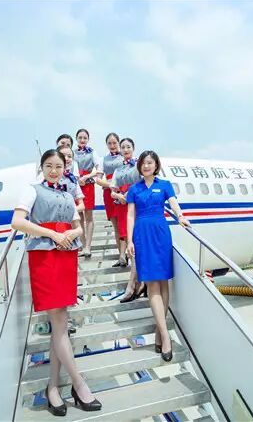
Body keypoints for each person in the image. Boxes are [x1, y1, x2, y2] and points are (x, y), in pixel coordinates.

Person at [11, 149, 101, 416]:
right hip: (44, 257)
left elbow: (79, 227)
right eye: (49, 165)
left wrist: (71, 234)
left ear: (65, 169)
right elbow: (17, 221)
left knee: (60, 325)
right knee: (60, 322)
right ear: (42, 167)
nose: (54, 170)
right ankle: (78, 383)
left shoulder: (68, 194)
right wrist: (53, 234)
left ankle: (52, 387)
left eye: (58, 166)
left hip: (66, 255)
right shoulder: (32, 190)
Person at [126, 150, 190, 362]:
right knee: (152, 284)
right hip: (142, 235)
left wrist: (180, 216)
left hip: (161, 233)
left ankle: (158, 332)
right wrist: (129, 241)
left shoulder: (165, 185)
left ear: (156, 165)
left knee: (163, 283)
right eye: (143, 163)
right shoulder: (134, 189)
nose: (146, 166)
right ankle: (165, 337)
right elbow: (130, 215)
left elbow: (173, 203)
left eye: (150, 163)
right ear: (139, 166)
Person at [110, 138, 141, 280]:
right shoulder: (118, 170)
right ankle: (134, 278)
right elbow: (112, 191)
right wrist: (118, 195)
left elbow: (143, 183)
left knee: (137, 238)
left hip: (136, 205)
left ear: (133, 148)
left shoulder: (139, 166)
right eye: (123, 147)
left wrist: (129, 194)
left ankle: (137, 278)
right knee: (127, 238)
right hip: (122, 206)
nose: (125, 149)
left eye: (128, 146)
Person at [94, 133, 125, 267]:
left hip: (123, 192)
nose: (112, 146)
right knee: (116, 226)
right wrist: (112, 185)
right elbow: (98, 179)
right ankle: (121, 255)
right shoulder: (103, 160)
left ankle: (126, 254)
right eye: (109, 143)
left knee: (125, 224)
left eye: (114, 143)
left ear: (118, 143)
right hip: (109, 194)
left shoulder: (125, 157)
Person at [74, 129, 102, 257]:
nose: (82, 140)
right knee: (79, 217)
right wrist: (77, 179)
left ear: (88, 139)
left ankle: (88, 247)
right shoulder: (73, 153)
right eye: (80, 137)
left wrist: (86, 177)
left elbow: (98, 169)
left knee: (89, 216)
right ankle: (83, 244)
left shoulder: (92, 152)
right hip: (76, 186)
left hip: (88, 185)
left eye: (85, 138)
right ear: (76, 138)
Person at [57, 145, 85, 214]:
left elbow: (82, 206)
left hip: (70, 215)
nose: (66, 158)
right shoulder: (50, 177)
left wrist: (69, 210)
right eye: (63, 155)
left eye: (69, 156)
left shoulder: (72, 179)